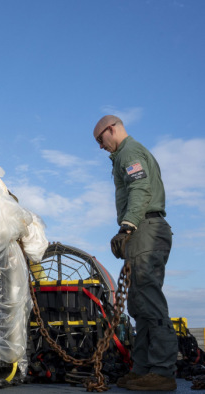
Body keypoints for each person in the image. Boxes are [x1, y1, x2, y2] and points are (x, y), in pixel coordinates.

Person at [93, 115, 178, 391]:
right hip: (143, 230)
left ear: (112, 128)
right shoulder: (123, 156)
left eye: (100, 139)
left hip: (146, 229)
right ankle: (143, 369)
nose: (101, 146)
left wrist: (127, 227)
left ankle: (162, 372)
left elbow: (139, 187)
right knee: (139, 304)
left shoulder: (129, 151)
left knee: (149, 301)